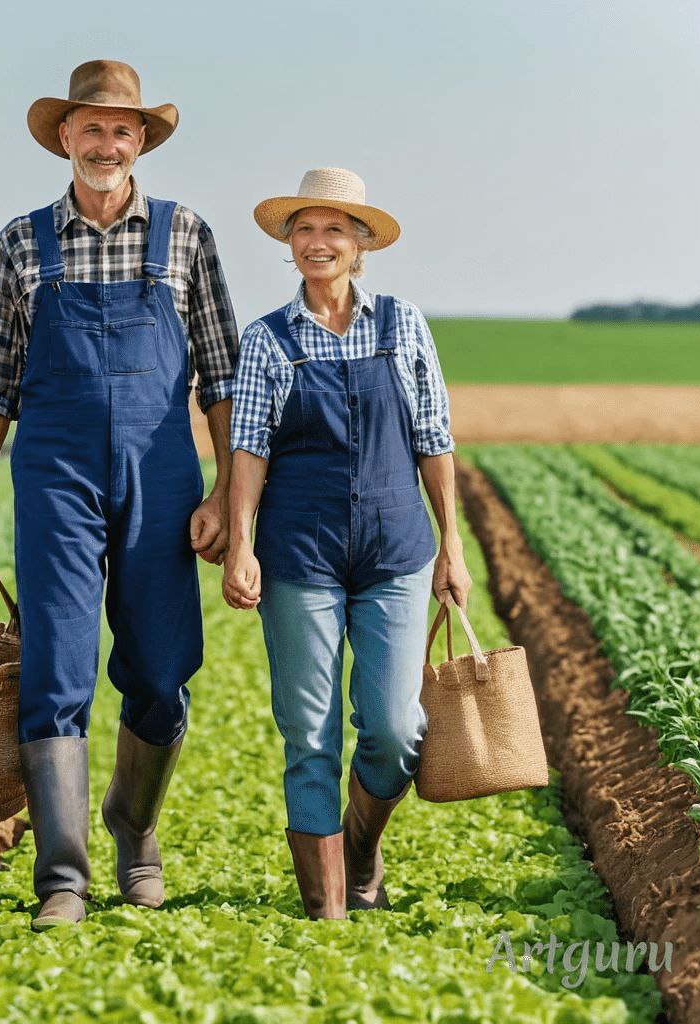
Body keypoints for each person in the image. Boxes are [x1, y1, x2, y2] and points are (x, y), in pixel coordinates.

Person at [0, 60, 238, 929]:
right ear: (65, 138)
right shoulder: (20, 242)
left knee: (159, 668)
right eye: (91, 128)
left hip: (160, 476)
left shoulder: (185, 236)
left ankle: (133, 824)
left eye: (123, 129)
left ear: (141, 140)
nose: (106, 144)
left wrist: (228, 488)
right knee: (57, 670)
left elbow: (222, 374)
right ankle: (64, 877)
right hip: (56, 476)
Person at [222, 168, 471, 919]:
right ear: (289, 243)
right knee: (308, 732)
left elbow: (434, 438)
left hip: (397, 552)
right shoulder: (267, 338)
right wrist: (241, 543)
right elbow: (247, 450)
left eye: (335, 229)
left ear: (360, 244)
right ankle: (328, 905)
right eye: (305, 228)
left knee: (397, 728)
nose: (318, 241)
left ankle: (362, 849)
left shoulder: (403, 324)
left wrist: (452, 547)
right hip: (301, 554)